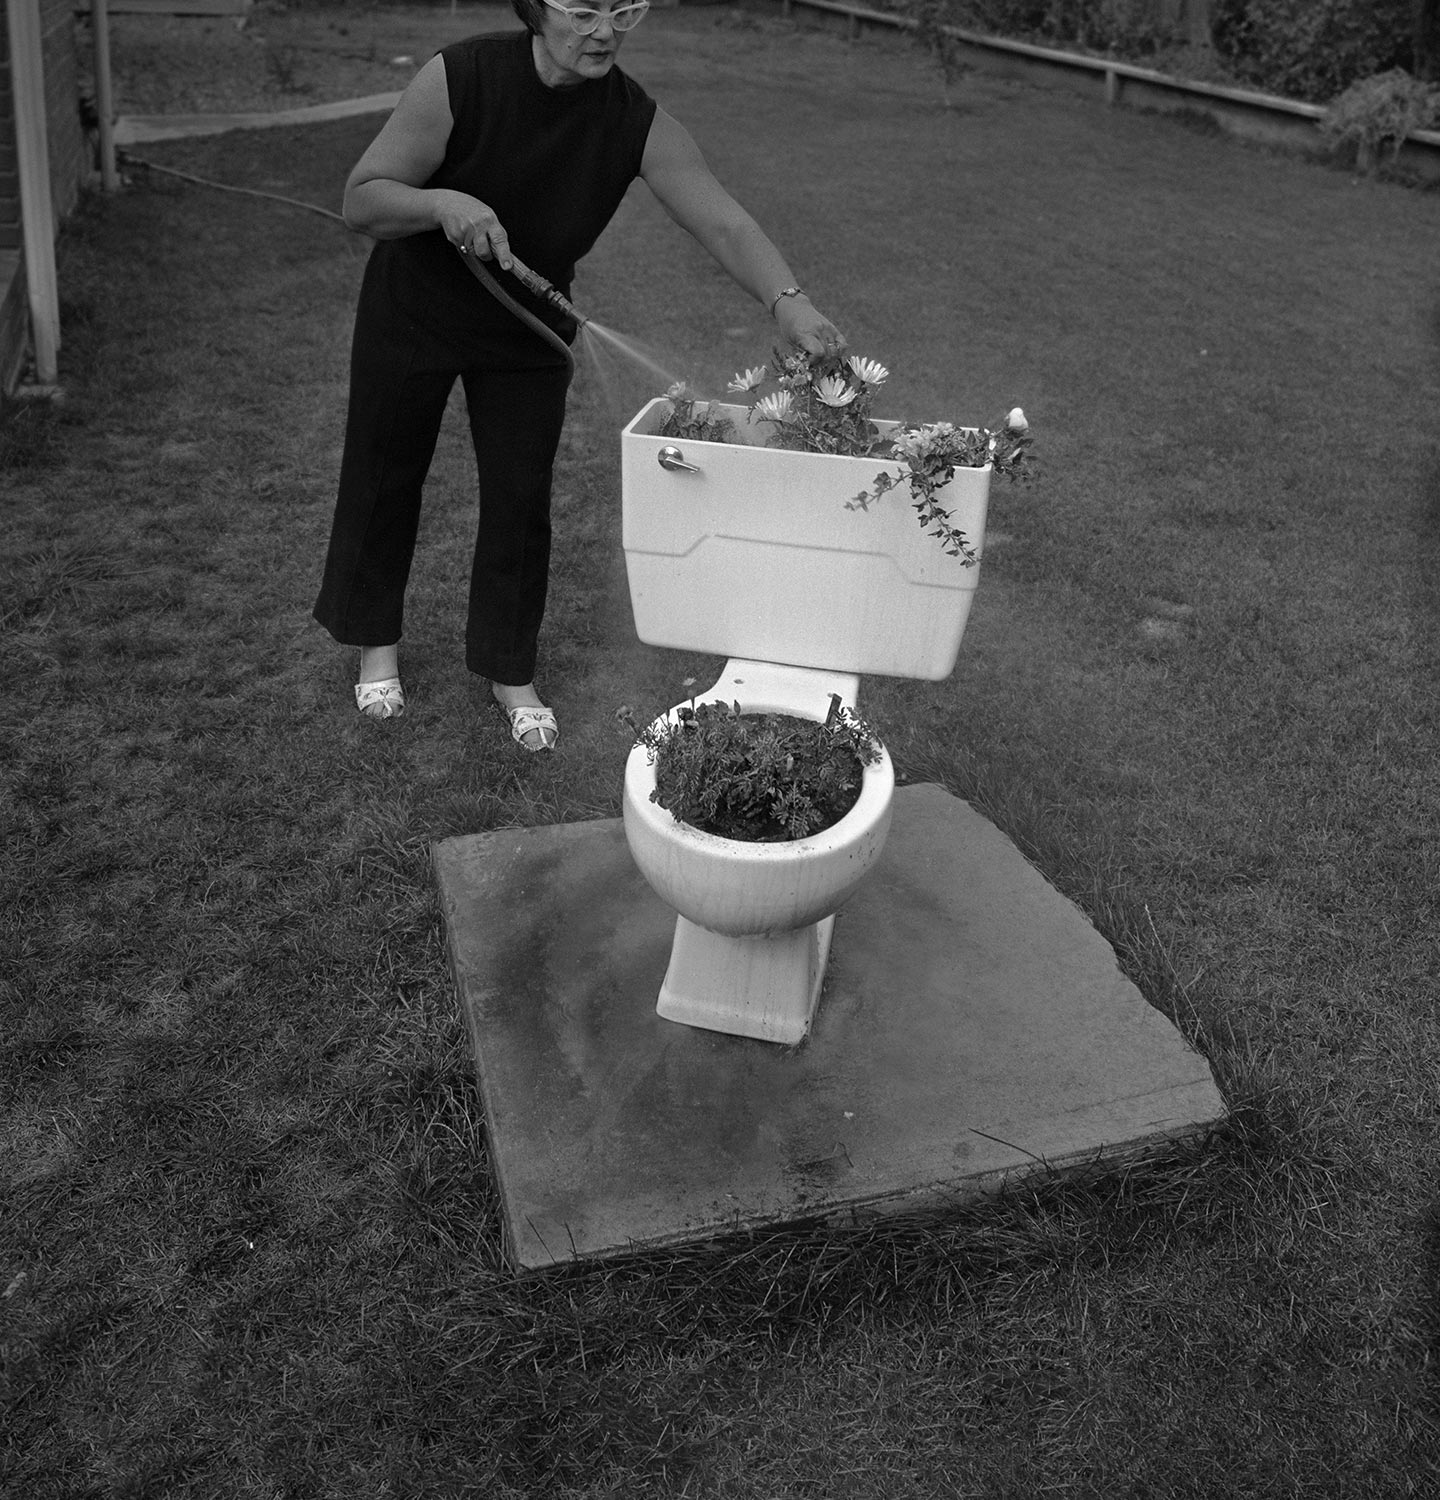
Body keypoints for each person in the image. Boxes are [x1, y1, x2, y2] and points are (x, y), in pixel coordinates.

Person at [313, 0, 846, 750]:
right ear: (538, 7)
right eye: (586, 10)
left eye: (624, 11)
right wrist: (441, 202)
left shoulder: (634, 119)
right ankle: (376, 643)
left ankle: (508, 668)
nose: (605, 31)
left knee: (520, 493)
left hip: (528, 323)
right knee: (386, 471)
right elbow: (361, 199)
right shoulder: (460, 77)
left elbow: (722, 219)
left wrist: (789, 301)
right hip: (415, 307)